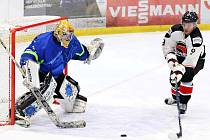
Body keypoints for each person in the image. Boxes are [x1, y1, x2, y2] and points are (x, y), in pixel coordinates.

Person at [15, 20, 104, 122]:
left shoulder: (72, 42)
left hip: (56, 74)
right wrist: (26, 65)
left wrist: (90, 54)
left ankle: (68, 100)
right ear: (58, 33)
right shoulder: (44, 41)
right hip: (41, 73)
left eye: (70, 35)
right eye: (65, 35)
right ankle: (19, 111)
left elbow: (81, 52)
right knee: (44, 93)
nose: (68, 38)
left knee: (72, 91)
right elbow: (30, 53)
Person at [162, 11, 206, 114]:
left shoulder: (196, 39)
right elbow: (167, 47)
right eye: (184, 24)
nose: (186, 27)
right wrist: (172, 60)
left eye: (189, 25)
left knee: (186, 76)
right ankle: (176, 98)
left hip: (195, 61)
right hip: (180, 57)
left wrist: (180, 70)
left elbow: (191, 60)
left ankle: (183, 102)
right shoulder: (175, 30)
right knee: (173, 79)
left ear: (195, 25)